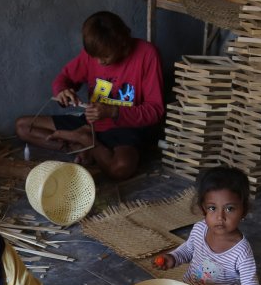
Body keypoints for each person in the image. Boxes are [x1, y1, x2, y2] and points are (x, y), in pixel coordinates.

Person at [14, 11, 163, 181]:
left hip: (125, 128)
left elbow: (155, 110)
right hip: (90, 123)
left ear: (121, 43)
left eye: (105, 56)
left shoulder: (147, 54)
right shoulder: (93, 54)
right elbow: (64, 78)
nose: (99, 62)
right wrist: (63, 90)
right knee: (23, 127)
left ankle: (86, 143)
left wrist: (113, 111)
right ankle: (85, 145)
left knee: (120, 167)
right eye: (95, 56)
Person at [152, 166, 261, 285]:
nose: (220, 217)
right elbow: (187, 250)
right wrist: (173, 258)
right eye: (212, 208)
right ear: (203, 208)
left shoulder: (242, 252)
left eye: (230, 208)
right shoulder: (199, 229)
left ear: (243, 211)